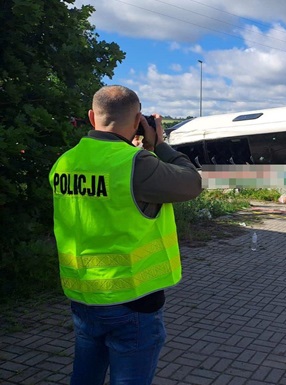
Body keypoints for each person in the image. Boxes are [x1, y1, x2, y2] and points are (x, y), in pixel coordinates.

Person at [49, 85, 203, 385]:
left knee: (85, 375)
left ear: (92, 116)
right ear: (137, 122)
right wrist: (160, 145)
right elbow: (191, 184)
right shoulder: (135, 163)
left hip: (83, 295)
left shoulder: (64, 162)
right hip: (131, 301)